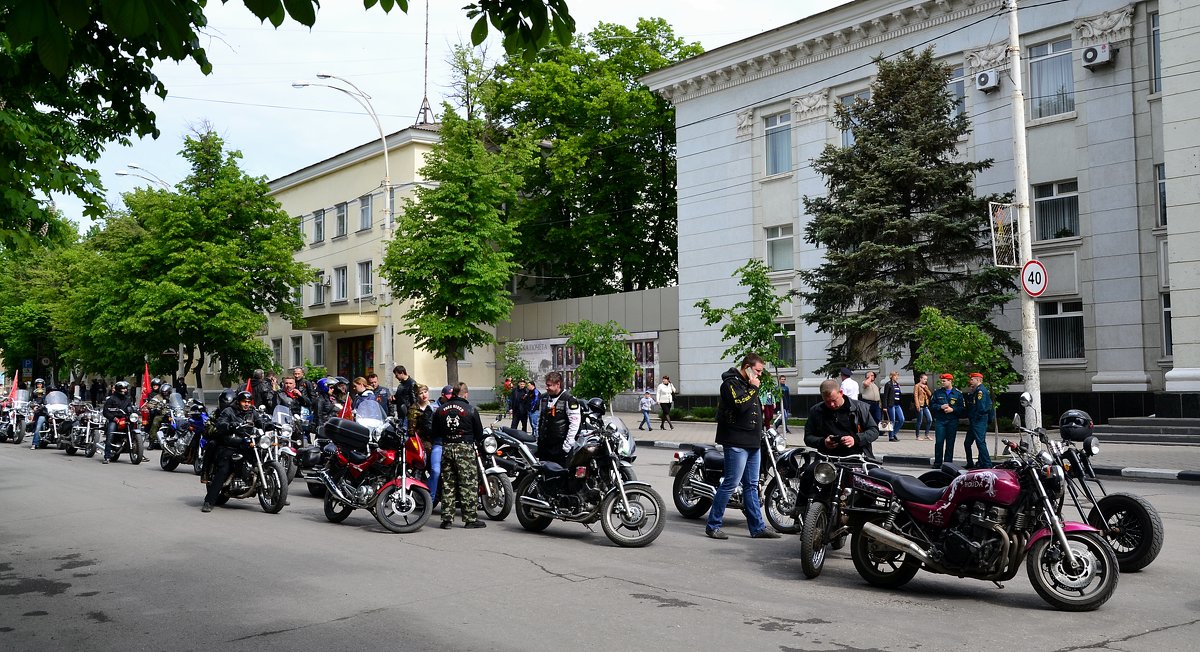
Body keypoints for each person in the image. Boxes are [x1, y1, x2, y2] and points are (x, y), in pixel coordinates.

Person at [705, 353, 781, 540]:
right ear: (747, 366)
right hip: (736, 441)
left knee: (752, 485)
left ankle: (757, 528)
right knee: (731, 483)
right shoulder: (730, 384)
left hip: (753, 442)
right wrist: (754, 389)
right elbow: (740, 406)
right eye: (758, 370)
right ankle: (713, 525)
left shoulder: (749, 385)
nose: (760, 375)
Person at [202, 390, 270, 512]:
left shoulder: (252, 412)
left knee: (263, 456)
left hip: (247, 443)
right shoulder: (228, 411)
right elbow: (220, 424)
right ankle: (209, 501)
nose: (247, 404)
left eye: (249, 402)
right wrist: (229, 426)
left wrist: (269, 424)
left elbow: (260, 421)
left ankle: (275, 492)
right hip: (230, 444)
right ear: (238, 402)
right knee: (224, 468)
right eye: (244, 401)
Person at [433, 383, 486, 529]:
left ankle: (447, 519)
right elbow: (479, 433)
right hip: (465, 448)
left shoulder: (440, 410)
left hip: (447, 446)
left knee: (448, 483)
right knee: (468, 483)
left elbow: (435, 432)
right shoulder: (471, 409)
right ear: (466, 394)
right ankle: (470, 519)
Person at [805, 376, 879, 456]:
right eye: (827, 401)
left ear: (841, 393)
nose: (831, 405)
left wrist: (856, 439)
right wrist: (823, 442)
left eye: (834, 400)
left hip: (856, 456)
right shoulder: (816, 411)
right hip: (826, 458)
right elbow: (808, 437)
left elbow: (874, 431)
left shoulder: (860, 408)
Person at [535, 371, 581, 466]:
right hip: (544, 445)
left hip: (560, 446)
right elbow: (540, 419)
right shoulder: (543, 398)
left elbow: (574, 424)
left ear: (558, 384)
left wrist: (567, 446)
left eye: (549, 385)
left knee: (560, 475)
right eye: (546, 385)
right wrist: (538, 438)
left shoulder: (569, 399)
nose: (547, 388)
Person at [426, 384, 454, 507]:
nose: (450, 399)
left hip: (453, 443)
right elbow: (428, 427)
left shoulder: (455, 407)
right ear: (442, 396)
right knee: (436, 471)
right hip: (438, 443)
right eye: (448, 397)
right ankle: (430, 501)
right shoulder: (432, 408)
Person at [930, 373, 965, 469]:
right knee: (939, 442)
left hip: (952, 421)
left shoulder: (957, 393)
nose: (942, 383)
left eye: (944, 381)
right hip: (941, 420)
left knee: (950, 442)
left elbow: (962, 408)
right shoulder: (937, 393)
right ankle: (937, 463)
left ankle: (948, 463)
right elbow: (932, 405)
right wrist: (940, 407)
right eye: (941, 381)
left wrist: (952, 409)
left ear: (950, 381)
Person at [963, 372, 993, 469]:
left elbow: (982, 408)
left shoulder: (981, 391)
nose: (970, 381)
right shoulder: (976, 391)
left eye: (972, 379)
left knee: (980, 442)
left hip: (979, 420)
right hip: (974, 420)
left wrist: (977, 416)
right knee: (967, 443)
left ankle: (987, 464)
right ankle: (971, 463)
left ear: (978, 380)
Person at [101, 381, 136, 464]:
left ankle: (137, 451)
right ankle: (107, 456)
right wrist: (114, 418)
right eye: (123, 388)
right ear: (118, 389)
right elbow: (105, 412)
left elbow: (131, 408)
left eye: (125, 388)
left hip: (125, 420)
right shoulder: (111, 399)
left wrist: (134, 412)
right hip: (115, 420)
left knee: (135, 431)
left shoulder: (127, 399)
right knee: (110, 433)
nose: (125, 390)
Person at [881, 371, 906, 442]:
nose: (897, 377)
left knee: (901, 419)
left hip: (897, 404)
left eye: (897, 376)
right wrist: (884, 407)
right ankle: (891, 437)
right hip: (891, 404)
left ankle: (893, 433)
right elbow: (885, 396)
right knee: (892, 420)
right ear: (891, 376)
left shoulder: (897, 384)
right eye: (895, 376)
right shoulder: (888, 384)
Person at [912, 373, 933, 441]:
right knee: (919, 421)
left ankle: (926, 434)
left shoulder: (925, 386)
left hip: (925, 405)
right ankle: (917, 435)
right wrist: (917, 405)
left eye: (926, 379)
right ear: (920, 379)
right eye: (924, 379)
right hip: (920, 405)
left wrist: (925, 388)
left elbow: (930, 394)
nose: (925, 380)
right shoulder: (917, 386)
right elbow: (915, 396)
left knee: (930, 419)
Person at [28, 378, 48, 449]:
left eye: (40, 384)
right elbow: (31, 401)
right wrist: (34, 406)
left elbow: (49, 400)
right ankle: (34, 443)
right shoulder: (34, 392)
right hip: (40, 413)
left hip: (46, 412)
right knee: (38, 427)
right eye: (38, 384)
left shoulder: (46, 392)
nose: (39, 385)